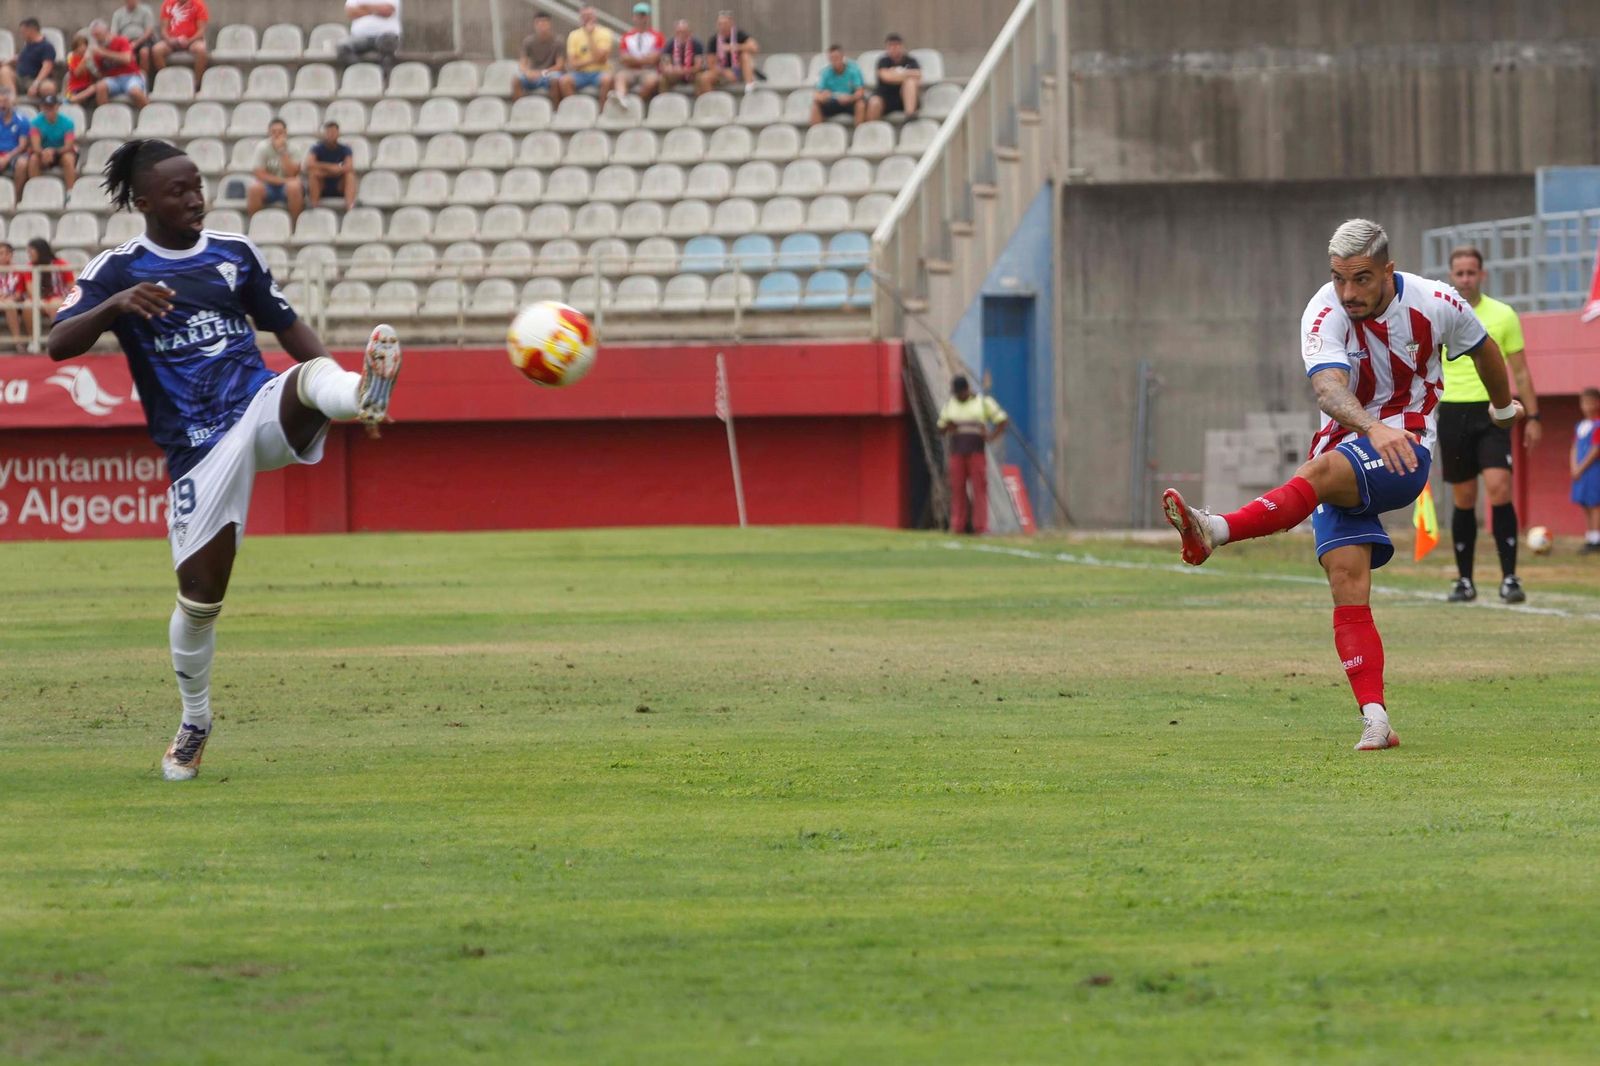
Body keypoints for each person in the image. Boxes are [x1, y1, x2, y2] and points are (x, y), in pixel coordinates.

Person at [47, 139, 403, 782]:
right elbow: (55, 345)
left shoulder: (235, 253)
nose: (195, 199)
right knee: (200, 599)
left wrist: (342, 400)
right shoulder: (117, 269)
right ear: (145, 200)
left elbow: (288, 327)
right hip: (196, 447)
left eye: (199, 186)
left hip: (256, 405)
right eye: (180, 191)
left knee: (315, 374)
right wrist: (116, 307)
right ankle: (195, 720)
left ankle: (359, 394)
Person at [1161, 219, 1522, 752]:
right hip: (1348, 443)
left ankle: (1214, 529)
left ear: (1387, 272)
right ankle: (1376, 719)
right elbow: (1328, 391)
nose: (1348, 293)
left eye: (1361, 279)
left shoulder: (1436, 301)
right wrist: (1370, 427)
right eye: (1338, 278)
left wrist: (1500, 407)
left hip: (1406, 449)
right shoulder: (1323, 311)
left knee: (1322, 473)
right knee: (1346, 584)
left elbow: (1484, 347)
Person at [1439, 245, 1540, 604]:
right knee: (1464, 497)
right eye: (1459, 273)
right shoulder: (1441, 314)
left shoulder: (1503, 315)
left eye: (1471, 273)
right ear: (1452, 276)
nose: (1465, 279)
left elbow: (1521, 370)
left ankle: (1510, 578)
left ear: (1482, 275)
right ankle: (1464, 581)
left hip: (1494, 409)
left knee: (1499, 489)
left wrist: (1534, 414)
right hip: (1452, 411)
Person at [937, 374, 1008, 535]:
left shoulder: (983, 403)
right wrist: (948, 426)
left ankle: (981, 527)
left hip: (976, 452)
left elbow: (1002, 421)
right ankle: (957, 526)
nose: (958, 396)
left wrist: (990, 437)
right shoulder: (950, 405)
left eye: (960, 393)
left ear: (967, 390)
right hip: (957, 452)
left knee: (979, 489)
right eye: (956, 394)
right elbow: (940, 428)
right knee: (957, 489)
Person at [6, 237, 75, 348]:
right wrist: (42, 302)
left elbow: (72, 286)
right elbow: (31, 290)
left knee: (54, 304)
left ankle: (58, 341)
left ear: (40, 251)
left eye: (31, 251)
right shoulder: (29, 267)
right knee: (28, 305)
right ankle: (33, 340)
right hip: (38, 298)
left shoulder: (61, 264)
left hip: (58, 296)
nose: (28, 254)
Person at [247, 117, 304, 221]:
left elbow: (293, 173)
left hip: (287, 188)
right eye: (274, 132)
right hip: (269, 186)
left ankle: (294, 226)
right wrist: (283, 181)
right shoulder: (262, 147)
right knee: (254, 189)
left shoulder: (294, 148)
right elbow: (259, 174)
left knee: (294, 187)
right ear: (269, 133)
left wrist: (282, 151)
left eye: (280, 132)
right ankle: (254, 225)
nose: (277, 135)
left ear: (285, 133)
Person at [88, 19, 150, 107]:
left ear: (106, 32)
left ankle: (150, 112)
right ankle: (106, 118)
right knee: (100, 87)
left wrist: (104, 53)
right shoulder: (97, 49)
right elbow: (100, 73)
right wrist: (89, 63)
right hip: (113, 79)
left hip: (131, 76)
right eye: (94, 36)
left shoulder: (121, 41)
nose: (96, 38)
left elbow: (126, 59)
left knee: (134, 91)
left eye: (98, 35)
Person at [563, 5, 614, 109]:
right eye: (584, 16)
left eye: (589, 15)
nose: (587, 18)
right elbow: (573, 64)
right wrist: (594, 59)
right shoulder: (573, 35)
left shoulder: (605, 33)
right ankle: (575, 109)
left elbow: (602, 60)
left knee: (607, 79)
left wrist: (589, 36)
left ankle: (602, 109)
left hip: (600, 72)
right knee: (565, 81)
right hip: (580, 73)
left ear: (595, 17)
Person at [614, 2, 664, 109]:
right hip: (630, 70)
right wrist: (644, 59)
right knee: (620, 77)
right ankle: (621, 98)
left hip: (648, 70)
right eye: (638, 15)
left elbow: (654, 58)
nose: (641, 19)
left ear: (647, 17)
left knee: (652, 81)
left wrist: (633, 59)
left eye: (643, 15)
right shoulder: (627, 36)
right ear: (634, 17)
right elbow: (624, 58)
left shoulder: (657, 36)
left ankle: (635, 103)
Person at [27, 87, 77, 190]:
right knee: (33, 159)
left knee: (69, 159)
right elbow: (36, 146)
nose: (49, 110)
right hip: (43, 154)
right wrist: (44, 152)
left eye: (51, 107)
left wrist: (53, 152)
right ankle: (35, 191)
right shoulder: (35, 123)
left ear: (57, 107)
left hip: (61, 153)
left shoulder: (68, 122)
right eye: (46, 107)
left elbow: (68, 146)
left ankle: (70, 192)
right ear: (42, 107)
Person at [697, 10, 756, 95]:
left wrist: (735, 47)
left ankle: (749, 88)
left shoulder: (739, 34)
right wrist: (725, 72)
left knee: (745, 55)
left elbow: (754, 47)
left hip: (741, 71)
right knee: (704, 78)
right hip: (722, 72)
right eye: (720, 24)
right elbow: (711, 63)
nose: (722, 27)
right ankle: (712, 103)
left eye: (725, 24)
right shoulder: (714, 40)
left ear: (731, 24)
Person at [337, 0, 401, 77]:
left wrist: (363, 7)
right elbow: (350, 12)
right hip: (360, 37)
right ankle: (364, 73)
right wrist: (376, 10)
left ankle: (382, 77)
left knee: (388, 44)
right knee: (342, 47)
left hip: (386, 36)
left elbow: (387, 11)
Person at [513, 12, 565, 104]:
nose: (542, 26)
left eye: (545, 23)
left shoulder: (558, 41)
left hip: (549, 73)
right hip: (533, 73)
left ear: (550, 24)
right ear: (535, 25)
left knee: (555, 80)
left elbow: (559, 65)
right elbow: (522, 63)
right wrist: (528, 72)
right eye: (539, 23)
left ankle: (556, 110)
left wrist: (543, 72)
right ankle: (519, 108)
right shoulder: (528, 42)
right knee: (516, 80)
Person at [1571, 387, 1600, 554]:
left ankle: (1597, 539)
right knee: (1584, 503)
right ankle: (1590, 536)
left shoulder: (1598, 425)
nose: (1586, 406)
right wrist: (1574, 467)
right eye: (1583, 402)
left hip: (1594, 470)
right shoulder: (1580, 426)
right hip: (1581, 472)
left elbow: (1595, 449)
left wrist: (1581, 468)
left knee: (1595, 503)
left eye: (1589, 402)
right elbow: (1574, 447)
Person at [152, 0, 209, 83]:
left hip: (192, 41)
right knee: (156, 50)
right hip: (172, 41)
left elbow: (201, 30)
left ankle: (197, 83)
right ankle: (167, 81)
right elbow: (163, 30)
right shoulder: (168, 3)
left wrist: (189, 41)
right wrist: (170, 40)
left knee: (202, 50)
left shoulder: (199, 4)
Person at [867, 33, 921, 120]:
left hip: (904, 97)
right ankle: (871, 129)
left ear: (902, 46)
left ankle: (910, 116)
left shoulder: (911, 60)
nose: (894, 49)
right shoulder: (883, 61)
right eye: (891, 46)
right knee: (874, 101)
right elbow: (885, 77)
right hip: (885, 97)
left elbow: (918, 75)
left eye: (897, 46)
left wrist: (895, 73)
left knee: (910, 82)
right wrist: (906, 74)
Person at [305, 120, 355, 211]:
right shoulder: (317, 148)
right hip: (322, 184)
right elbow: (309, 164)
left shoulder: (345, 149)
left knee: (350, 175)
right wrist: (331, 168)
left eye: (333, 132)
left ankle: (350, 207)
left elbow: (349, 166)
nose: (331, 135)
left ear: (338, 133)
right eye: (328, 132)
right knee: (313, 174)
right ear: (324, 133)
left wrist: (334, 170)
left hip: (338, 184)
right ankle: (314, 207)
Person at [810, 44, 865, 126]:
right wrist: (823, 96)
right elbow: (817, 95)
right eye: (832, 58)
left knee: (860, 105)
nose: (835, 61)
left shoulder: (854, 70)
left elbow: (860, 92)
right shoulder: (825, 72)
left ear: (842, 57)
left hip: (850, 101)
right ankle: (817, 134)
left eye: (837, 58)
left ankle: (858, 134)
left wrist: (850, 98)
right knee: (815, 105)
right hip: (832, 101)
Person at [1, 18, 56, 97]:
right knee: (4, 71)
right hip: (21, 79)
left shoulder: (46, 46)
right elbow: (21, 59)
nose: (21, 34)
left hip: (35, 80)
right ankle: (11, 100)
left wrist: (35, 84)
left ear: (31, 30)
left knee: (48, 87)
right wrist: (7, 63)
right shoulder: (28, 46)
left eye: (23, 32)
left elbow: (47, 67)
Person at [110, 0, 159, 76]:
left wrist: (136, 43)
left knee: (144, 52)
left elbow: (149, 30)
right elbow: (113, 33)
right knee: (128, 56)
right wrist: (122, 44)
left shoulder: (145, 11)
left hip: (143, 40)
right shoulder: (118, 14)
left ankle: (143, 80)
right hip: (125, 41)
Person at [0, 86, 31, 201]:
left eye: (5, 101)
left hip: (14, 153)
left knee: (22, 163)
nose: (2, 105)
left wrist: (6, 158)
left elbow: (22, 145)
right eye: (0, 102)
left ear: (11, 102)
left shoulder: (22, 120)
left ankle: (15, 198)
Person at [658, 20, 702, 94]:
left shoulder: (697, 44)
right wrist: (670, 69)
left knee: (701, 78)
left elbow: (698, 66)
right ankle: (664, 101)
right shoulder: (670, 44)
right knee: (663, 79)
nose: (682, 34)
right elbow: (665, 64)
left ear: (689, 32)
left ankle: (700, 101)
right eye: (679, 32)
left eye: (684, 32)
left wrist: (684, 70)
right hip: (675, 73)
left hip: (692, 73)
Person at [0, 241, 27, 350]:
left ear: (10, 255)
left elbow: (19, 294)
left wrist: (8, 298)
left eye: (3, 253)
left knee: (10, 304)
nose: (0, 257)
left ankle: (18, 342)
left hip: (12, 302)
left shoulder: (19, 271)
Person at [63, 34, 99, 105]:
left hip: (87, 86)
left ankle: (74, 99)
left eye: (85, 45)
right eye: (81, 46)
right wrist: (84, 60)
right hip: (76, 87)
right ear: (75, 48)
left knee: (95, 87)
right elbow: (76, 73)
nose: (84, 48)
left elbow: (96, 74)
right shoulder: (71, 58)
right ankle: (72, 100)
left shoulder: (91, 59)